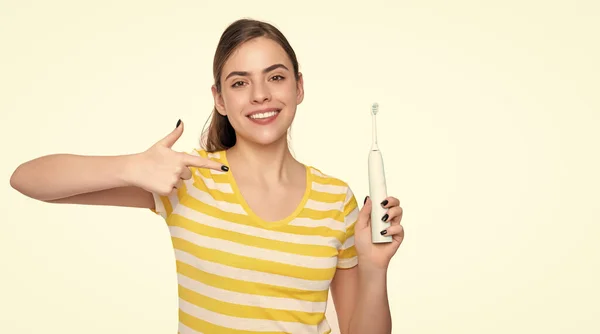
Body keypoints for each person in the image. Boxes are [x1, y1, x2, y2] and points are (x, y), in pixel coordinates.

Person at [10, 18, 404, 334]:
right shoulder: (187, 178)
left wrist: (373, 269)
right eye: (240, 83)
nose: (261, 94)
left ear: (299, 87)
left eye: (276, 77)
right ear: (219, 98)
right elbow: (27, 179)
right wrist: (131, 166)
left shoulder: (335, 200)